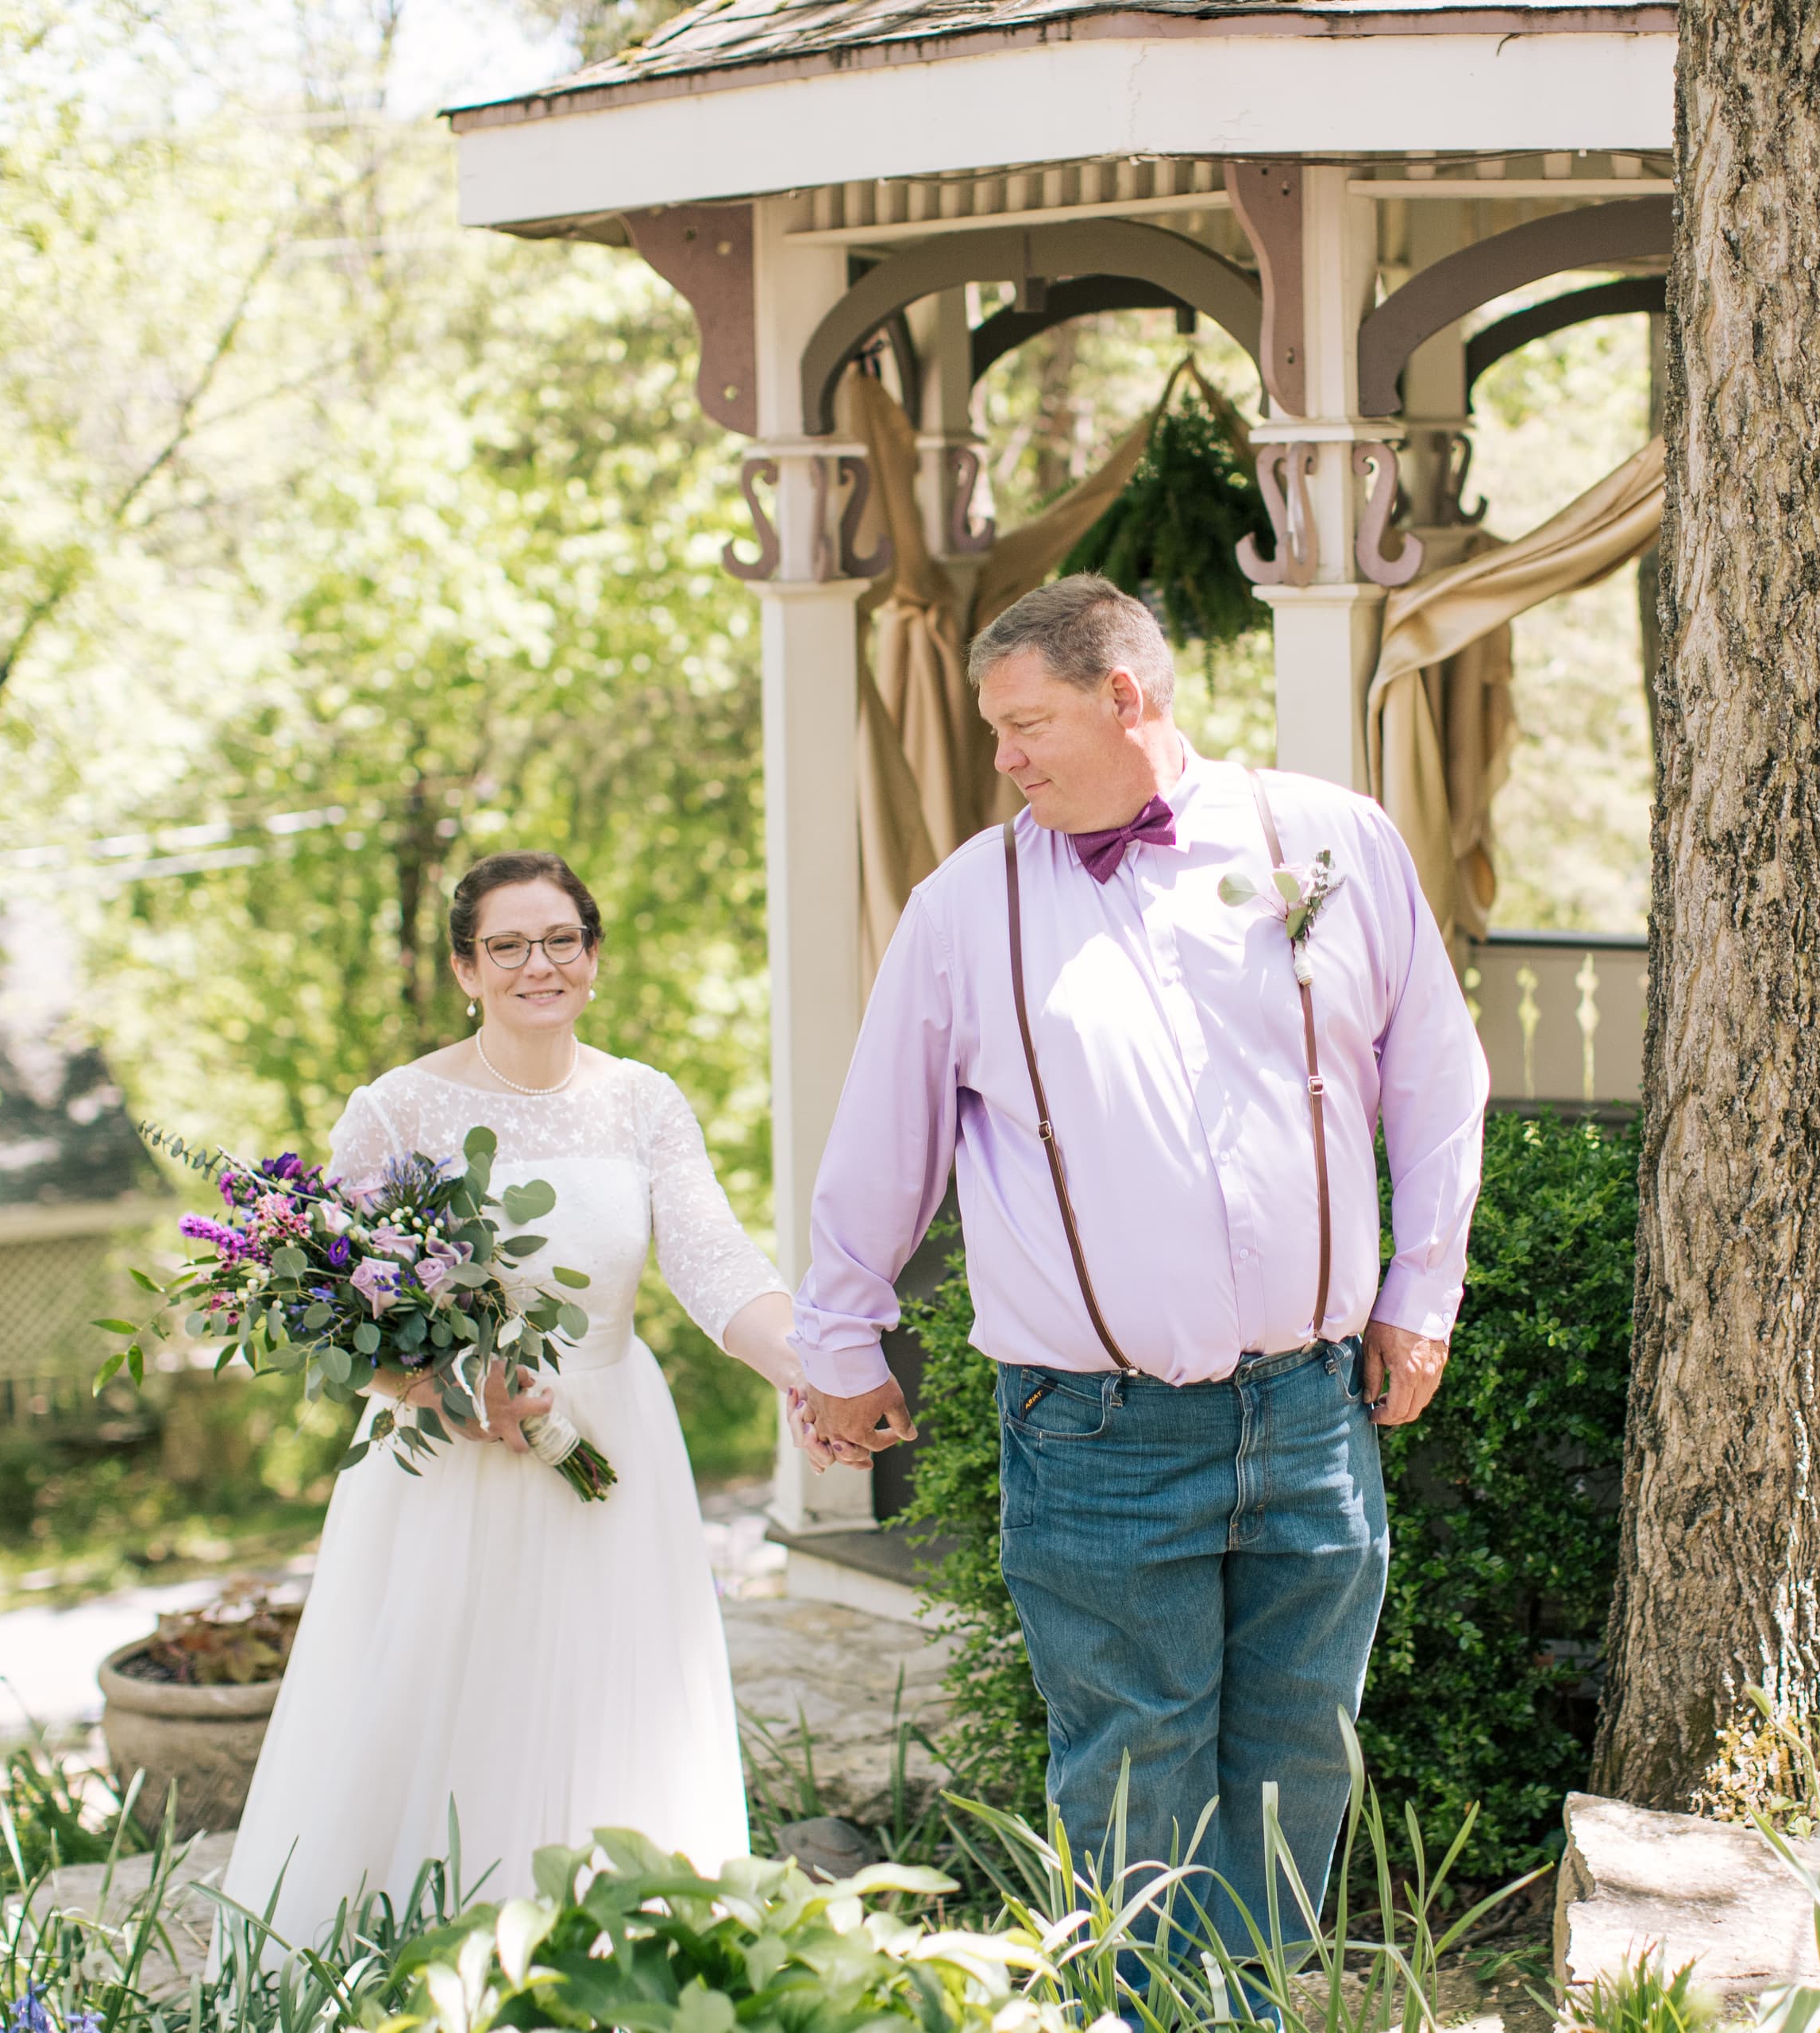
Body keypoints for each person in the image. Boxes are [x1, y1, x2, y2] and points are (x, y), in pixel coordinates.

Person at [796, 575, 1488, 1957]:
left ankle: (1254, 2004)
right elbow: (886, 1136)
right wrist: (838, 1341)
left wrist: (1423, 1294)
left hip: (1314, 1408)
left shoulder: (1331, 842)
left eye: (1027, 723)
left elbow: (1436, 1078)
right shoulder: (964, 906)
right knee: (1130, 1766)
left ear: (1127, 698)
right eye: (995, 732)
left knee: (1301, 1748)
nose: (1006, 758)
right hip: (1091, 1431)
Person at [223, 850, 859, 1950]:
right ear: (467, 969)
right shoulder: (398, 1108)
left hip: (612, 1436)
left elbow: (713, 1264)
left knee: (606, 1693)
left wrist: (813, 1368)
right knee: (455, 1692)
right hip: (446, 1457)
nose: (538, 965)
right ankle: (445, 1950)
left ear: (594, 957)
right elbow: (326, 1305)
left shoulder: (641, 1101)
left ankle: (613, 1944)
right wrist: (450, 1385)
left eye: (560, 939)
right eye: (507, 946)